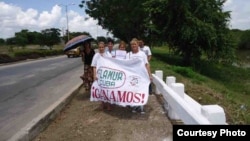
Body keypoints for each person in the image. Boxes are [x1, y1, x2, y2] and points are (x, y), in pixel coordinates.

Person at [126, 38, 153, 114]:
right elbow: (125, 65)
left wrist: (150, 75)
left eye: (135, 44)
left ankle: (141, 107)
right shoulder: (128, 55)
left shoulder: (142, 54)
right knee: (133, 91)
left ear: (138, 44)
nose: (133, 46)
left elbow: (147, 64)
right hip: (132, 76)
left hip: (141, 76)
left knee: (140, 91)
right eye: (132, 44)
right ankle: (134, 106)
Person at [91, 41, 112, 110]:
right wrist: (94, 75)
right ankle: (103, 104)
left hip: (107, 75)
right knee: (101, 90)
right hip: (99, 75)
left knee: (107, 90)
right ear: (98, 48)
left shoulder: (108, 54)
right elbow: (94, 66)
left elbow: (112, 63)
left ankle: (108, 104)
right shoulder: (96, 56)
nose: (101, 48)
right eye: (100, 47)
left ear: (104, 47)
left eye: (102, 47)